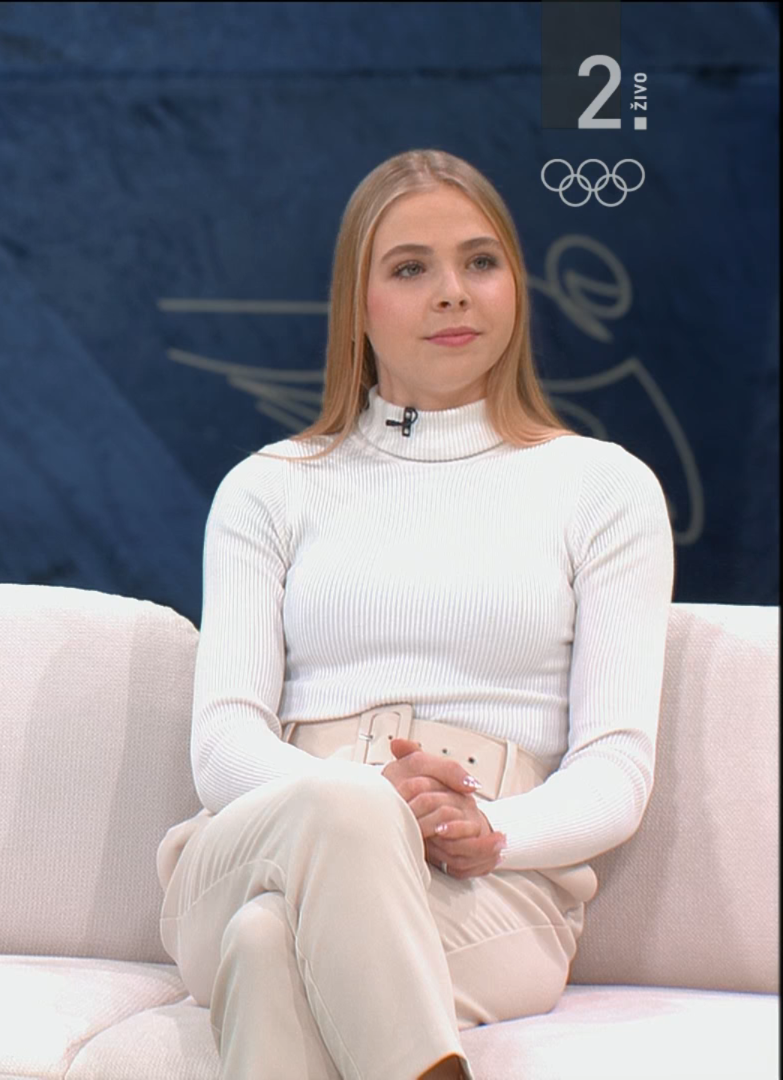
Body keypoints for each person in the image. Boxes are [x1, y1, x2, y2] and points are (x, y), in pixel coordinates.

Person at [154, 149, 674, 1080]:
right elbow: (224, 743)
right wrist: (366, 802)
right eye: (409, 268)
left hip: (492, 882)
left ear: (515, 286)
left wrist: (497, 835)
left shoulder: (603, 490)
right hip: (263, 846)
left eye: (480, 261)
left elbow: (617, 765)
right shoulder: (269, 489)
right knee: (336, 822)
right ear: (356, 307)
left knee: (269, 946)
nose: (452, 292)